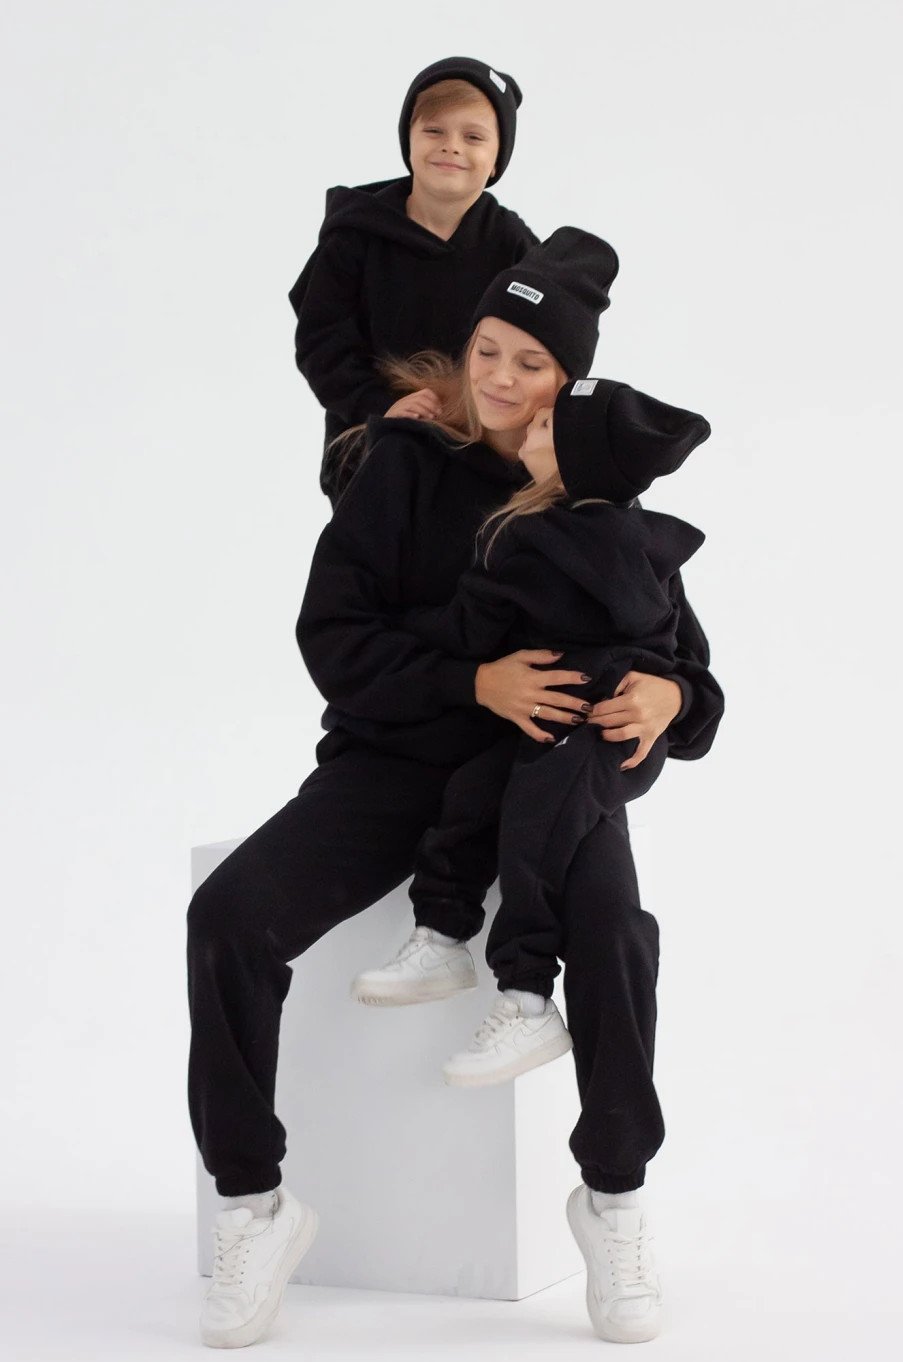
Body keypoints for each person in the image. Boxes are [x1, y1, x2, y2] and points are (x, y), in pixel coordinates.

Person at [188, 228, 723, 1348]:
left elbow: (689, 670)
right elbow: (335, 639)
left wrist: (671, 699)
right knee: (227, 916)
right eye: (487, 350)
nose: (501, 379)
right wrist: (473, 680)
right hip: (394, 761)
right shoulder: (403, 459)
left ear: (568, 380)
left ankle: (613, 1200)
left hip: (548, 776)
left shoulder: (593, 486)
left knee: (615, 934)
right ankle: (253, 1207)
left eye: (531, 362)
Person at [351, 378, 713, 1101]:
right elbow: (667, 648)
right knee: (475, 791)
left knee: (535, 832)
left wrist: (670, 694)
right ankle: (443, 935)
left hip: (602, 737)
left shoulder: (547, 541)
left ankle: (525, 997)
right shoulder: (614, 538)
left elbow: (467, 629)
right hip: (557, 729)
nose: (528, 428)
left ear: (578, 460)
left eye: (547, 426)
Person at [288, 55, 538, 504]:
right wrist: (380, 407)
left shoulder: (517, 249)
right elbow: (321, 343)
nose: (451, 146)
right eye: (434, 131)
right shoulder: (354, 237)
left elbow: (548, 345)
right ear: (409, 141)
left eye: (473, 136)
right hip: (371, 440)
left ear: (497, 160)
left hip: (480, 445)